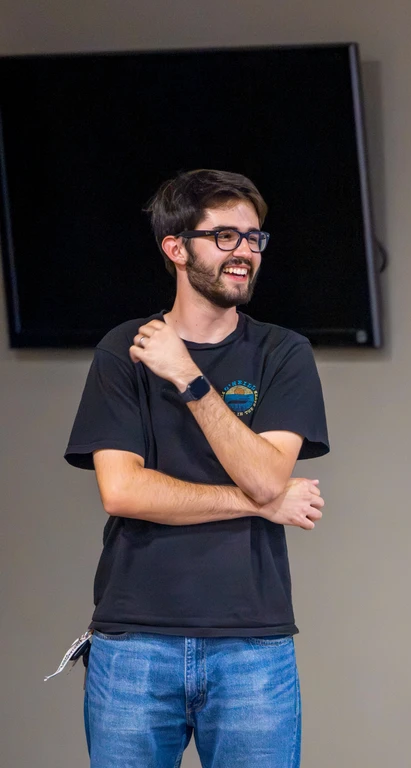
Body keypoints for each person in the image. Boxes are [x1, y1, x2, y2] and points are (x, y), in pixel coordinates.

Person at [65, 169, 329, 768]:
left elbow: (267, 474)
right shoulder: (124, 349)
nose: (244, 253)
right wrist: (259, 502)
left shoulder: (282, 352)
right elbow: (122, 490)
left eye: (254, 239)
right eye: (225, 237)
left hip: (251, 647)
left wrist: (188, 376)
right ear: (176, 248)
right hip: (133, 644)